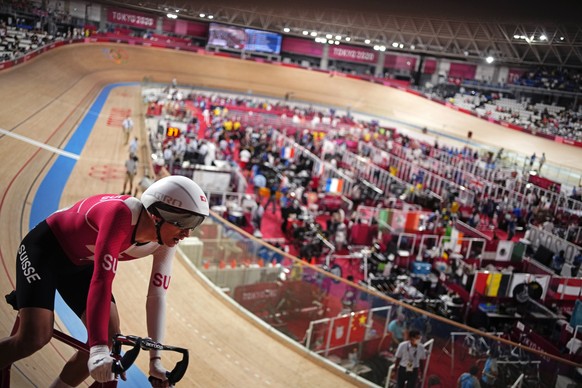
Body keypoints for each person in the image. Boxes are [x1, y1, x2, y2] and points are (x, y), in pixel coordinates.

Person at [0, 175, 209, 387]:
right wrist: (97, 350)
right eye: (185, 222)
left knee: (109, 339)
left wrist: (155, 361)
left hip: (81, 264)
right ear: (157, 215)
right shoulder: (120, 215)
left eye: (196, 224)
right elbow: (102, 281)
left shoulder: (165, 244)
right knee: (35, 336)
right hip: (45, 251)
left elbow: (157, 296)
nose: (188, 233)